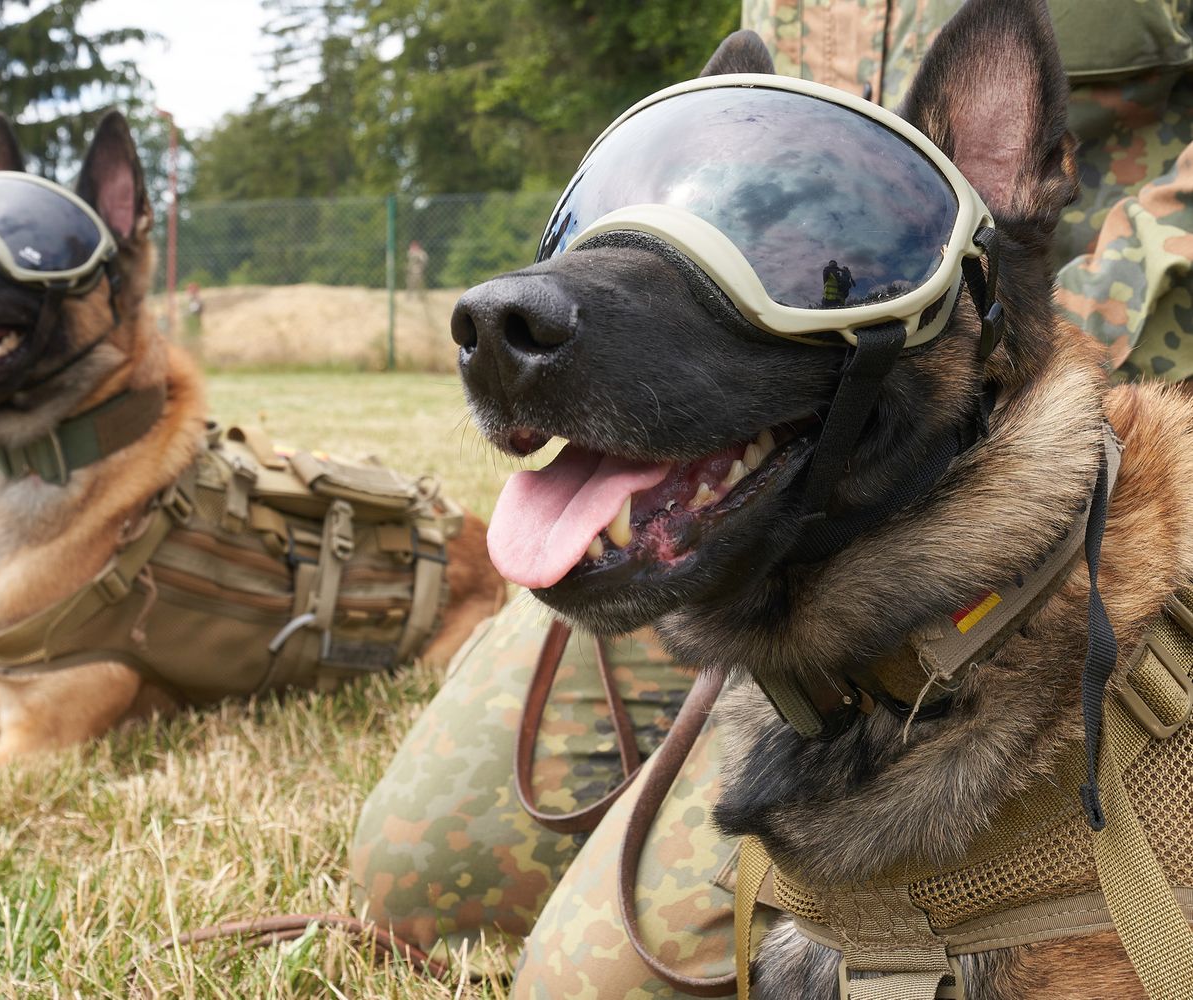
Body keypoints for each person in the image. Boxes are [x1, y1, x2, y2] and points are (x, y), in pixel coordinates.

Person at [348, 1, 1193, 995]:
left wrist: (984, 302)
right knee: (413, 877)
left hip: (994, 437)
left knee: (582, 984)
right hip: (749, 496)